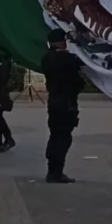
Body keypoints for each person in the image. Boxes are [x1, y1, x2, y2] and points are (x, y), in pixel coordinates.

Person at [40, 29, 84, 182]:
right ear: (61, 41)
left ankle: (52, 170)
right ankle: (56, 173)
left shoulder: (46, 58)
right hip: (67, 104)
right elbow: (78, 82)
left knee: (54, 136)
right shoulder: (68, 60)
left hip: (54, 102)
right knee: (63, 139)